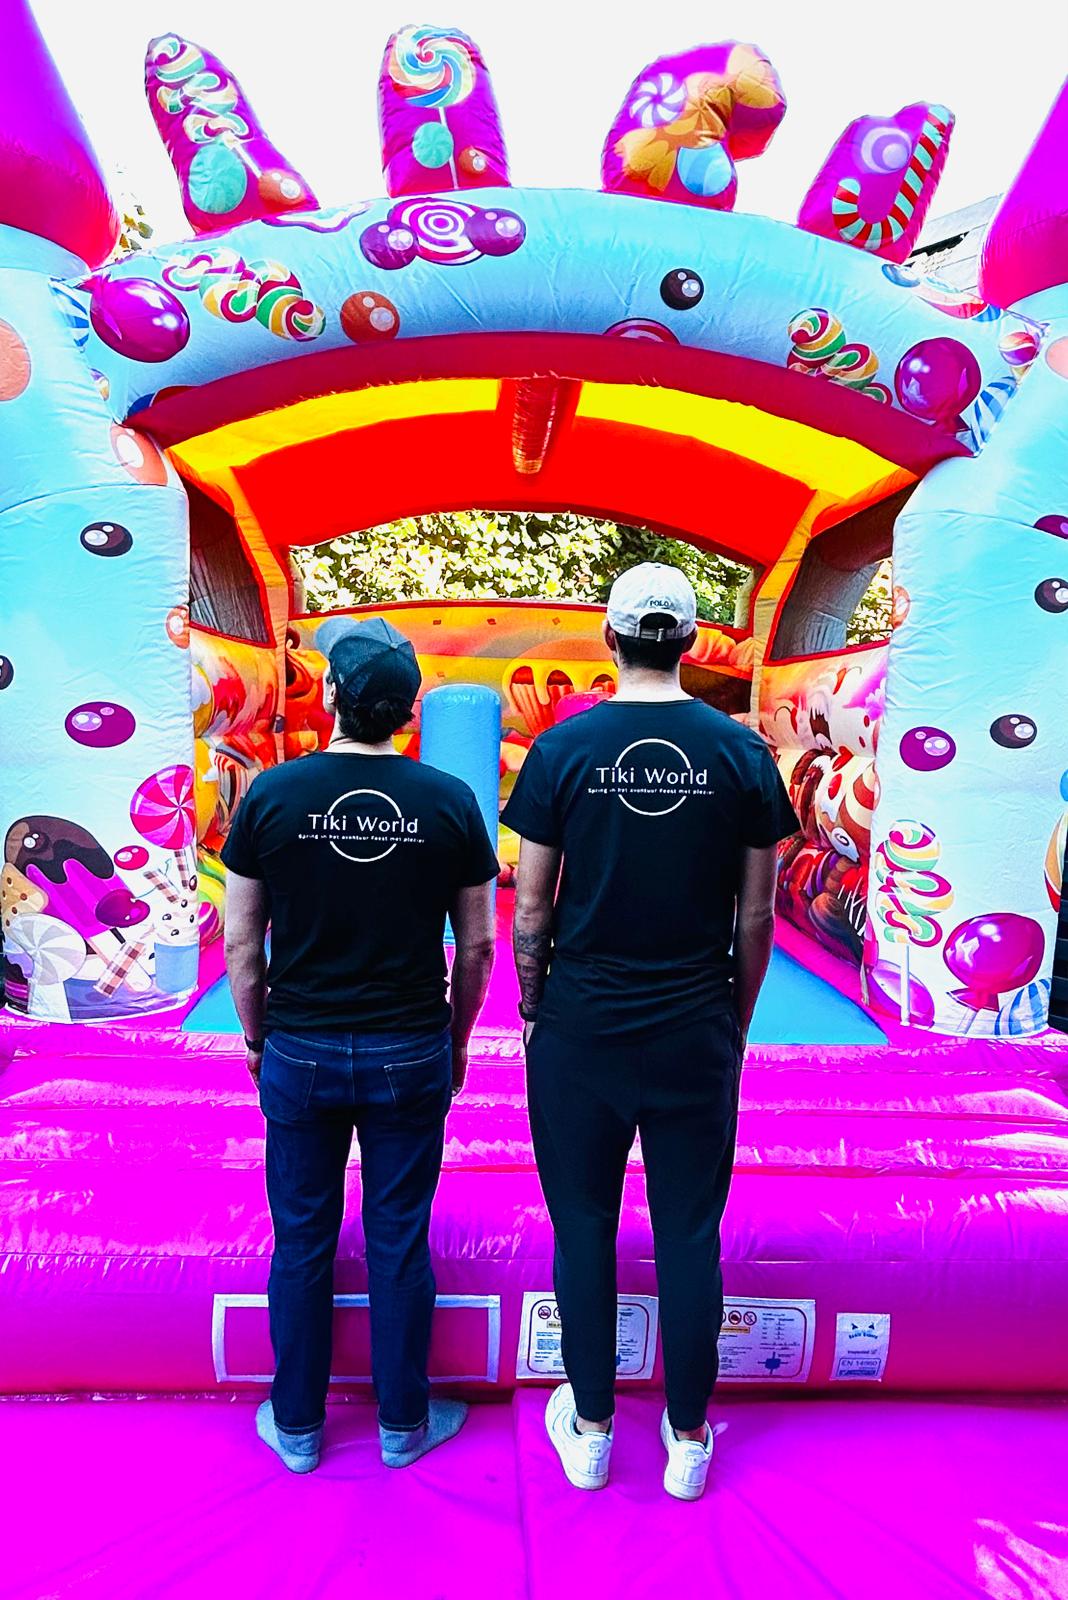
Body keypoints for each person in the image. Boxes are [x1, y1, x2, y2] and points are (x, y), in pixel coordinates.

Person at [503, 562, 798, 1501]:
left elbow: (531, 909)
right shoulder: (740, 752)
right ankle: (688, 1437)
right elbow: (758, 917)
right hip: (693, 1024)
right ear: (691, 641)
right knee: (689, 1232)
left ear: (611, 636)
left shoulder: (564, 748)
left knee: (582, 1224)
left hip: (582, 1024)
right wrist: (732, 1018)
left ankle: (591, 1428)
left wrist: (534, 1006)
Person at [223, 617, 499, 1475]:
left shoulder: (273, 795)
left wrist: (258, 1037)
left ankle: (298, 1428)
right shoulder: (448, 801)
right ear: (410, 710)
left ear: (332, 696)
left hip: (300, 1045)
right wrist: (456, 1041)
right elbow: (479, 946)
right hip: (408, 1047)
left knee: (301, 1238)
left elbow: (241, 942)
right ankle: (402, 1426)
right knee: (398, 1237)